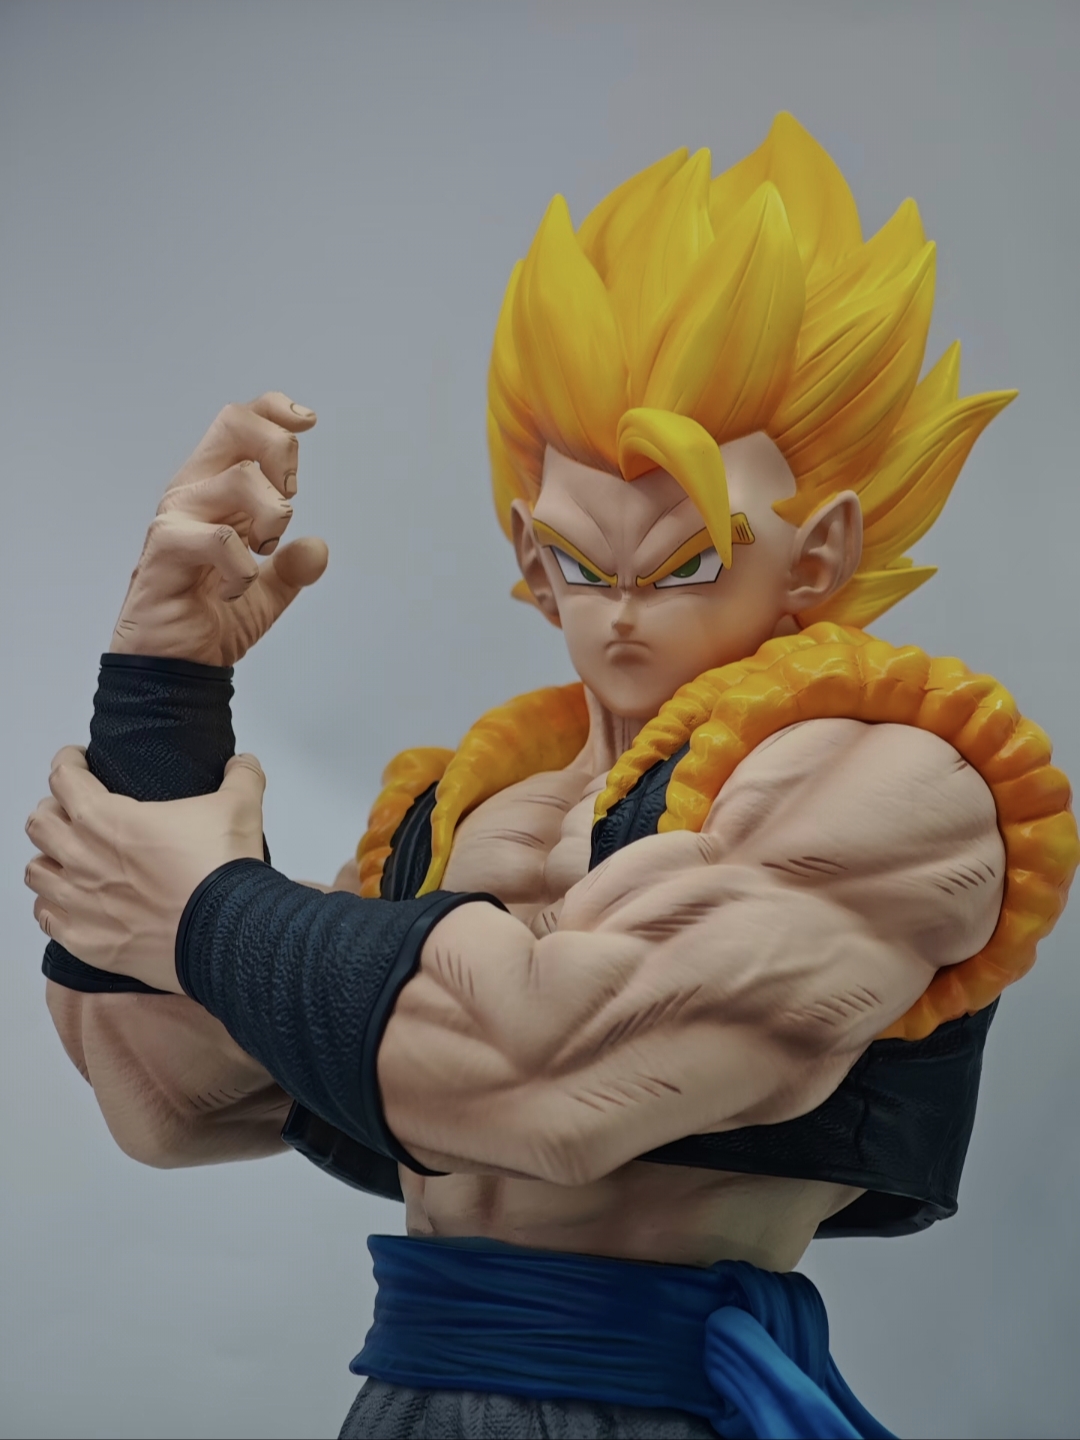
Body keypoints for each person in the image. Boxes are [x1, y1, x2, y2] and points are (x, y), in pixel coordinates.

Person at [24, 114, 1078, 1440]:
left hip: (659, 1401)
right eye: (582, 560)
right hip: (407, 1393)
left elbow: (561, 1088)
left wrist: (203, 909)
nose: (621, 609)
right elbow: (169, 1099)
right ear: (530, 551)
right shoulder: (463, 811)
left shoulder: (889, 783)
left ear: (817, 555)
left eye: (686, 560)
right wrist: (164, 695)